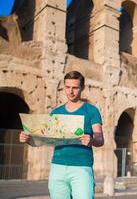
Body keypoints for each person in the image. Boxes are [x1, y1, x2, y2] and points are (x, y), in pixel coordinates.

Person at [19, 71, 104, 199]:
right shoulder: (56, 112)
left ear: (82, 88)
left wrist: (92, 140)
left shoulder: (92, 110)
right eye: (67, 87)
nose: (70, 91)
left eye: (75, 87)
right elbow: (45, 139)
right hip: (57, 167)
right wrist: (28, 139)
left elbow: (100, 139)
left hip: (81, 168)